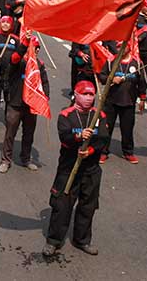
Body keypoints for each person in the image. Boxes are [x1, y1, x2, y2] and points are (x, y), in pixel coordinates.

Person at [43, 81, 107, 257]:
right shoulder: (66, 115)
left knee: (88, 206)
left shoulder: (99, 114)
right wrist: (79, 136)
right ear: (76, 95)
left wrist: (91, 150)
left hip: (91, 169)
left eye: (91, 94)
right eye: (84, 94)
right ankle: (53, 241)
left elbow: (103, 138)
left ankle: (82, 240)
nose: (88, 98)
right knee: (61, 205)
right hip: (69, 168)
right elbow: (65, 137)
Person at [0, 34, 48, 173]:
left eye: (37, 48)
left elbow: (44, 83)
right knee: (10, 133)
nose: (35, 51)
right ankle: (5, 160)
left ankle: (26, 158)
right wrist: (25, 42)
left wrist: (45, 99)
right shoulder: (18, 62)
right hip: (15, 103)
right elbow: (15, 57)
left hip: (31, 107)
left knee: (29, 134)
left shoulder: (40, 65)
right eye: (32, 48)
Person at [97, 43, 146, 164]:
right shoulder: (111, 61)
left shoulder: (137, 63)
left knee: (127, 129)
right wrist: (111, 79)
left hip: (129, 102)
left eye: (122, 46)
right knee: (107, 127)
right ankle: (103, 152)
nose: (120, 49)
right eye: (118, 46)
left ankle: (128, 152)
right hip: (111, 101)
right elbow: (101, 77)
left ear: (129, 47)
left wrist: (143, 98)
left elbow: (142, 82)